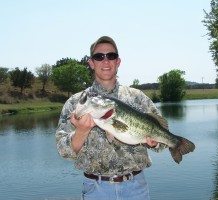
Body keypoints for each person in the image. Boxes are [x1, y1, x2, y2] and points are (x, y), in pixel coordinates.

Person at [55, 36, 165, 200]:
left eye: (111, 56)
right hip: (96, 190)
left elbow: (161, 143)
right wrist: (81, 132)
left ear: (118, 62)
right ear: (91, 63)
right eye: (99, 57)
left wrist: (155, 142)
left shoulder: (138, 98)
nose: (105, 61)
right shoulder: (76, 103)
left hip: (136, 188)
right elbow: (64, 152)